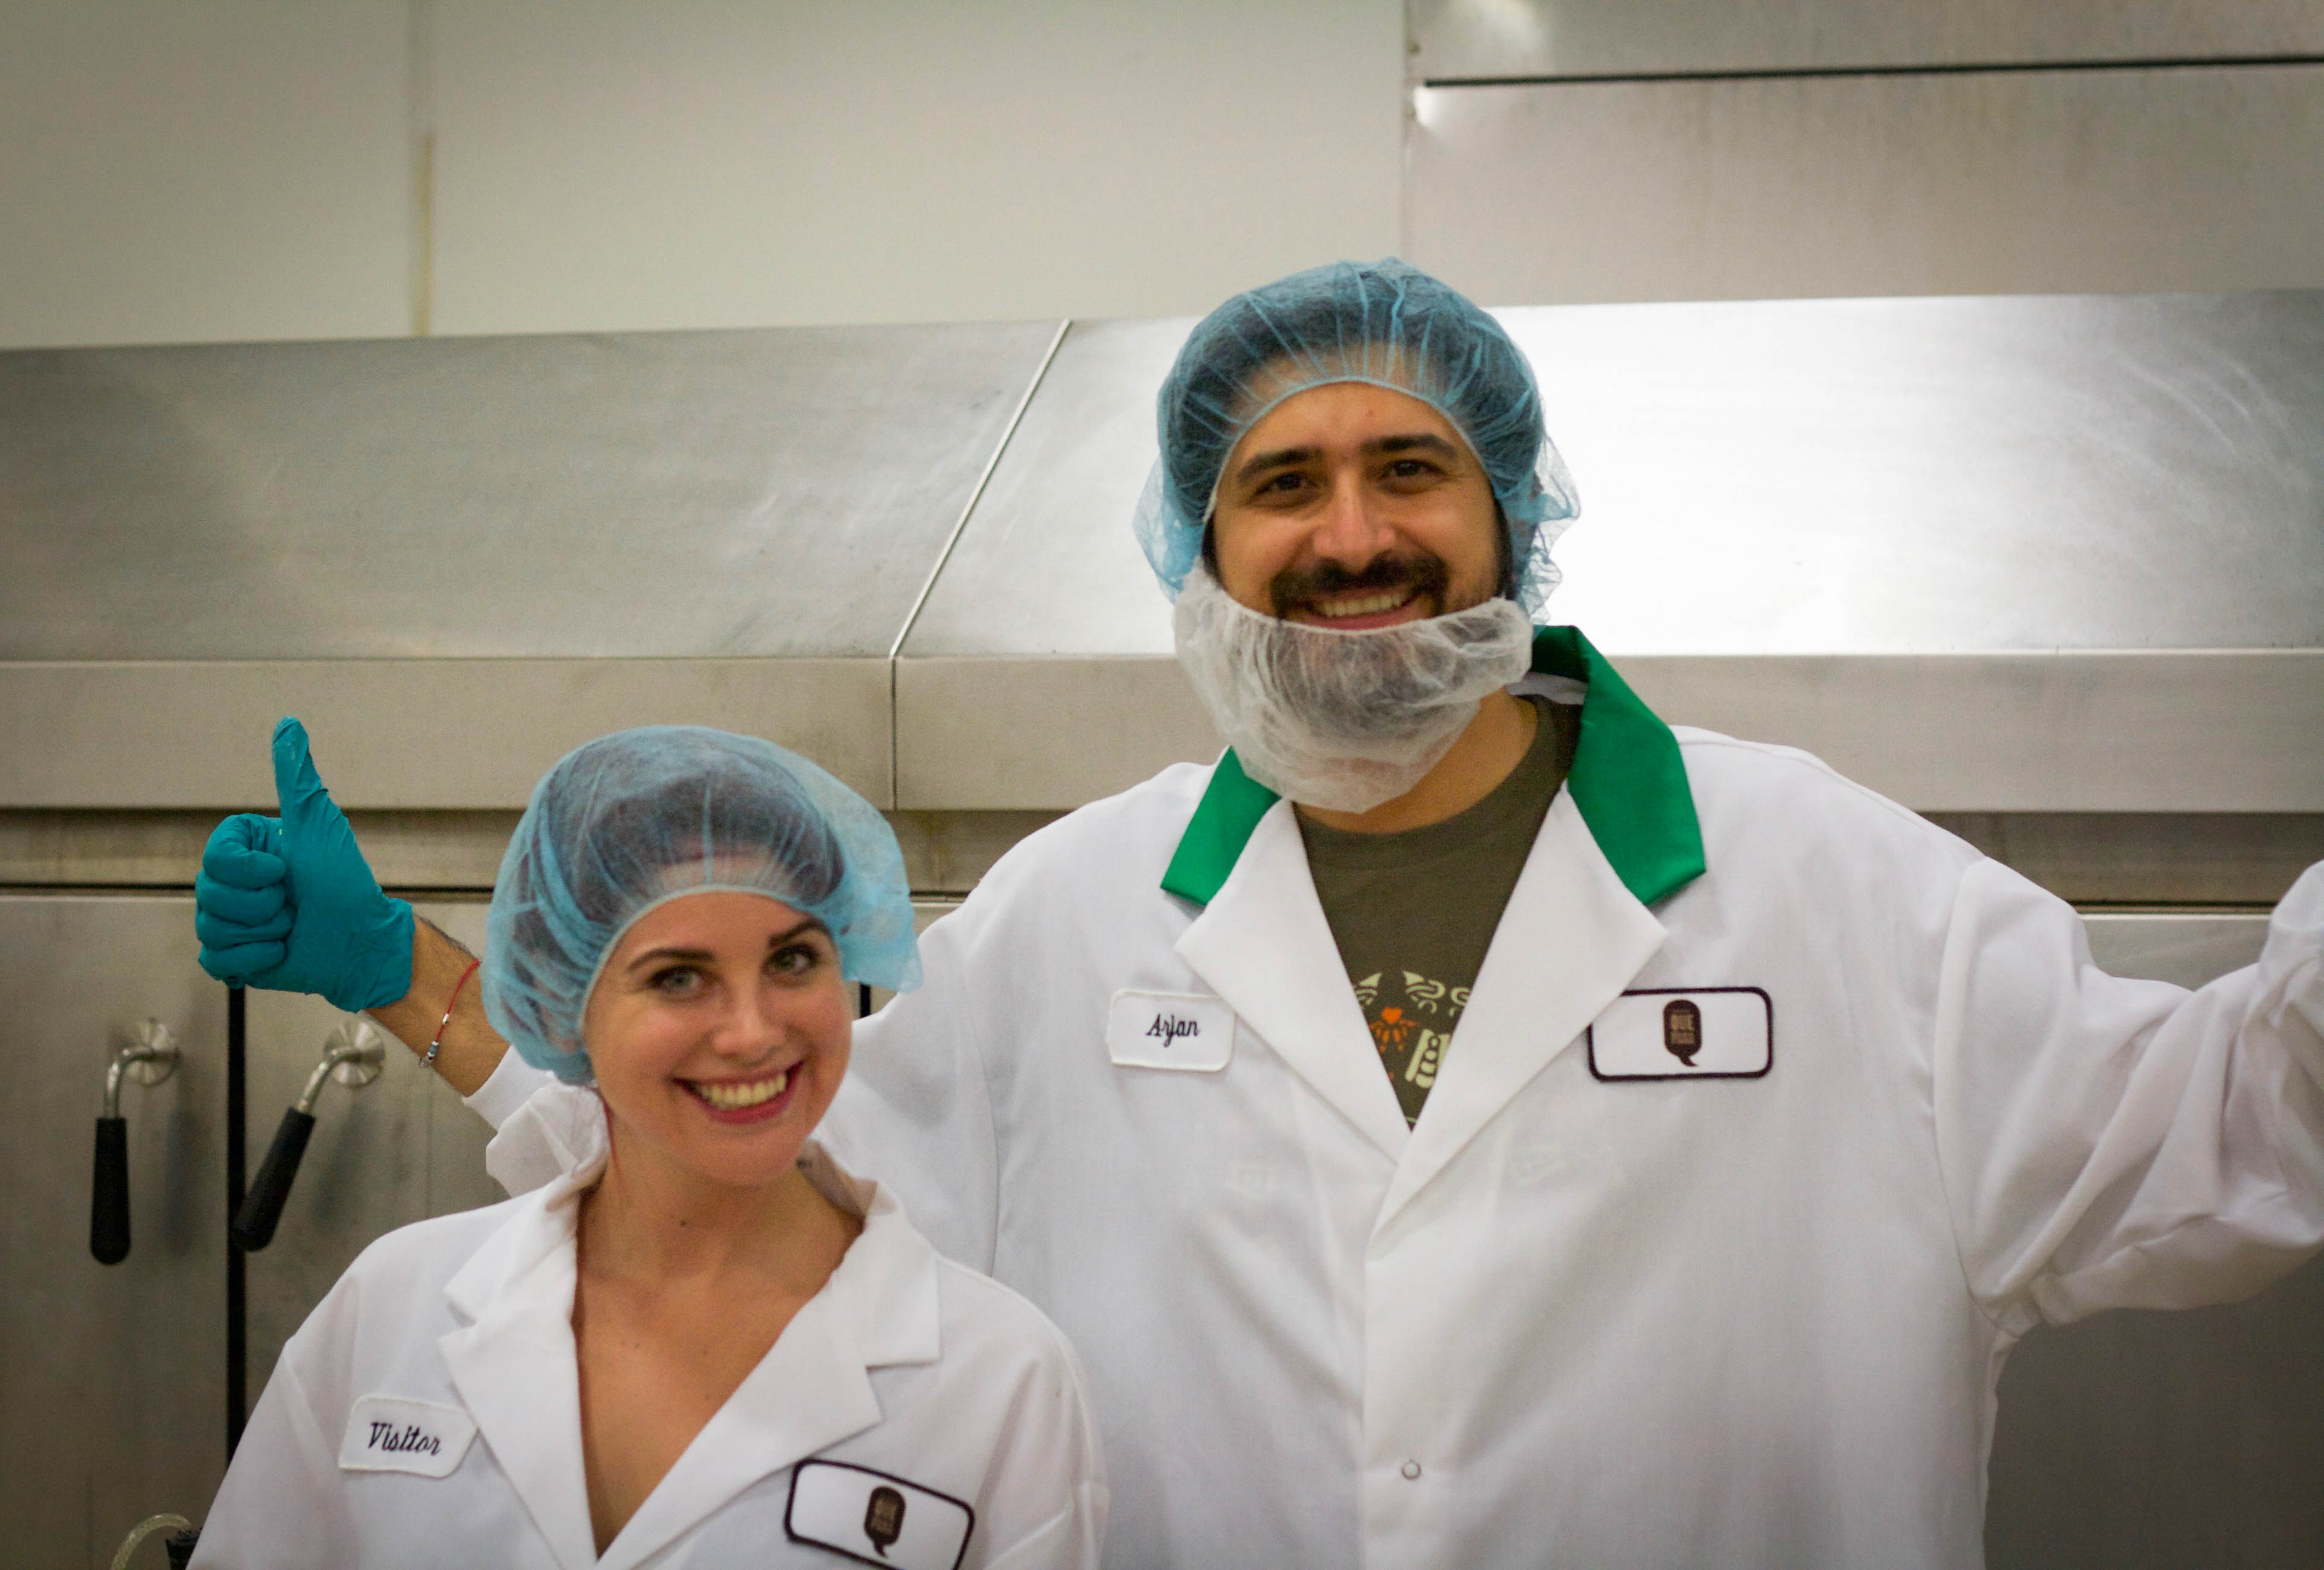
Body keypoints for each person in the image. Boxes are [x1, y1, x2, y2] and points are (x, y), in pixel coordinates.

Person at [198, 260, 2324, 1569]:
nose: (1349, 533)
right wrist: (424, 982)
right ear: (1198, 550)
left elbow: (2235, 1123)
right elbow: (747, 1175)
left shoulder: (1824, 877)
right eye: (1280, 484)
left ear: (1510, 517)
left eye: (1409, 469)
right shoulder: (1081, 910)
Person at [193, 725, 1105, 1569]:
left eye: (793, 960)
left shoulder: (1000, 1385)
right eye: (678, 978)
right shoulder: (390, 1312)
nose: (752, 1033)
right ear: (561, 1005)